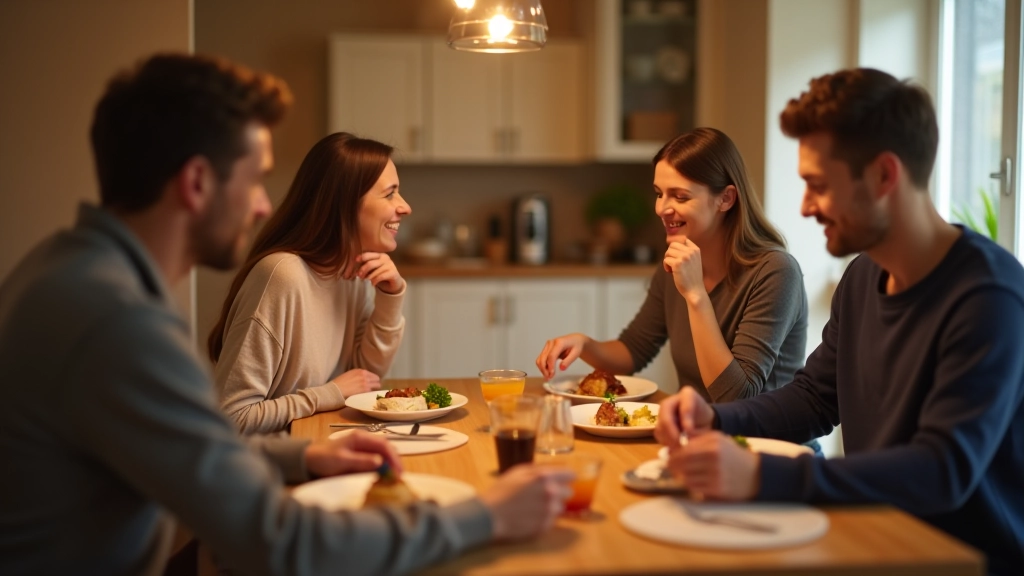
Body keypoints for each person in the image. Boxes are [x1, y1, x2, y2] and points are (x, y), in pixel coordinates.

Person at [0, 53, 573, 576]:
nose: (263, 206)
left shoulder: (69, 273)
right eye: (254, 179)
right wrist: (484, 516)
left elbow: (203, 450)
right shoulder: (116, 320)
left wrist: (308, 452)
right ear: (197, 182)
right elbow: (280, 542)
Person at [655, 68, 1024, 575]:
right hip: (873, 539)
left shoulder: (988, 297)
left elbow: (943, 469)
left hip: (958, 562)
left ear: (884, 176)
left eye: (819, 186)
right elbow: (814, 399)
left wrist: (762, 475)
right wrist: (715, 418)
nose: (806, 207)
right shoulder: (863, 276)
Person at [537, 127, 808, 405]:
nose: (662, 209)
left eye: (680, 196)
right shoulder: (676, 265)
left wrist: (695, 295)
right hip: (699, 438)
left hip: (767, 445)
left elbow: (737, 396)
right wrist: (585, 344)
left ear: (725, 199)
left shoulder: (775, 272)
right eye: (659, 193)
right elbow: (633, 351)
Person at [209, 132, 409, 435]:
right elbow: (231, 418)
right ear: (345, 204)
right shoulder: (282, 276)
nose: (404, 207)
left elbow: (366, 377)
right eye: (390, 194)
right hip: (274, 469)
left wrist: (390, 296)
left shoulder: (350, 272)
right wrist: (328, 394)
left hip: (321, 445)